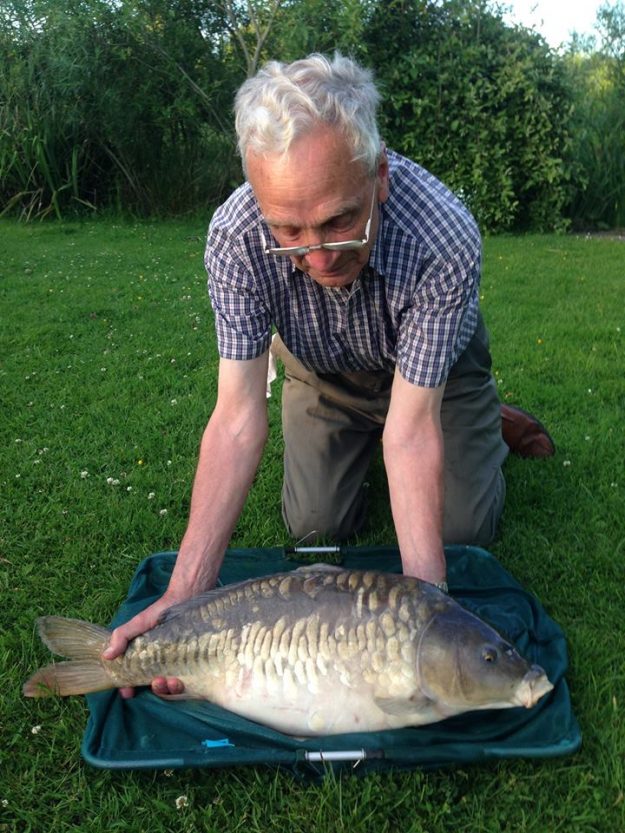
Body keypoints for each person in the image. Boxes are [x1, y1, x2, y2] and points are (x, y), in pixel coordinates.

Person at [103, 53, 554, 696]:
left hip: (431, 385)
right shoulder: (234, 237)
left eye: (340, 221)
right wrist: (184, 594)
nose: (316, 254)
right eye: (288, 228)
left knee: (462, 531)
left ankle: (486, 420)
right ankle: (358, 427)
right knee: (315, 525)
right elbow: (236, 418)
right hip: (323, 375)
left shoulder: (442, 233)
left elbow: (411, 426)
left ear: (380, 178)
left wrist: (425, 618)